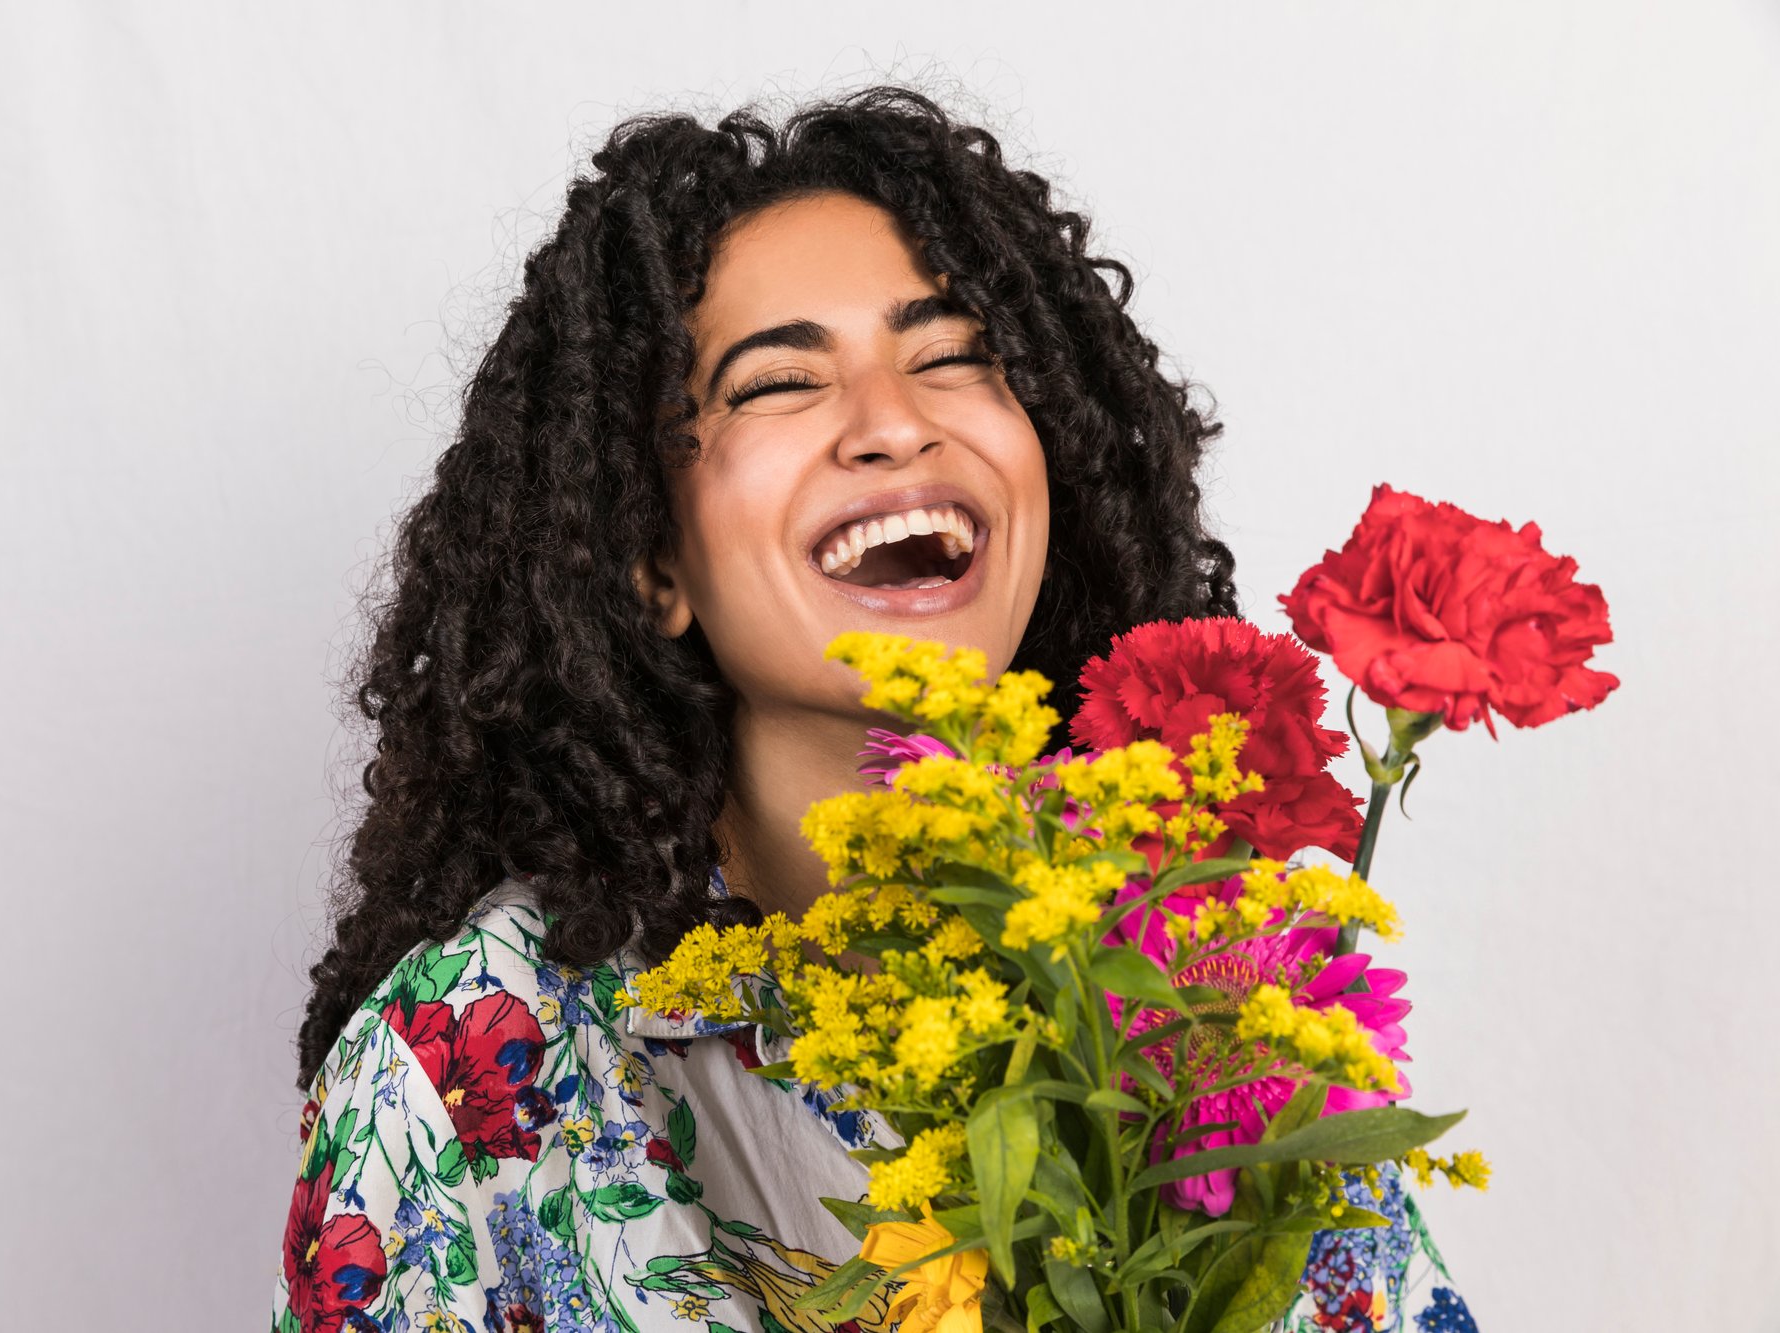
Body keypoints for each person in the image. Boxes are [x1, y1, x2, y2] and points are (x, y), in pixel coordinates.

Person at [273, 86, 1477, 1333]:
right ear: (648, 557)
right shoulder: (462, 1053)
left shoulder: (1211, 992)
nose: (894, 424)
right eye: (779, 381)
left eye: (950, 356)